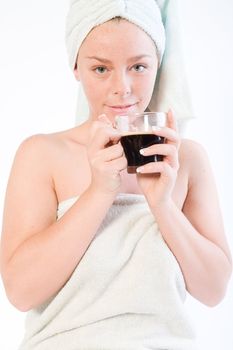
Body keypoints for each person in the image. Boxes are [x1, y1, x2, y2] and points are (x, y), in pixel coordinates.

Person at [0, 0, 232, 349]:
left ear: (158, 64)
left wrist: (163, 206)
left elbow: (214, 291)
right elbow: (21, 291)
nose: (122, 87)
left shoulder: (187, 159)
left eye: (139, 66)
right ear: (76, 67)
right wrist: (98, 192)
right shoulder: (42, 155)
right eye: (101, 69)